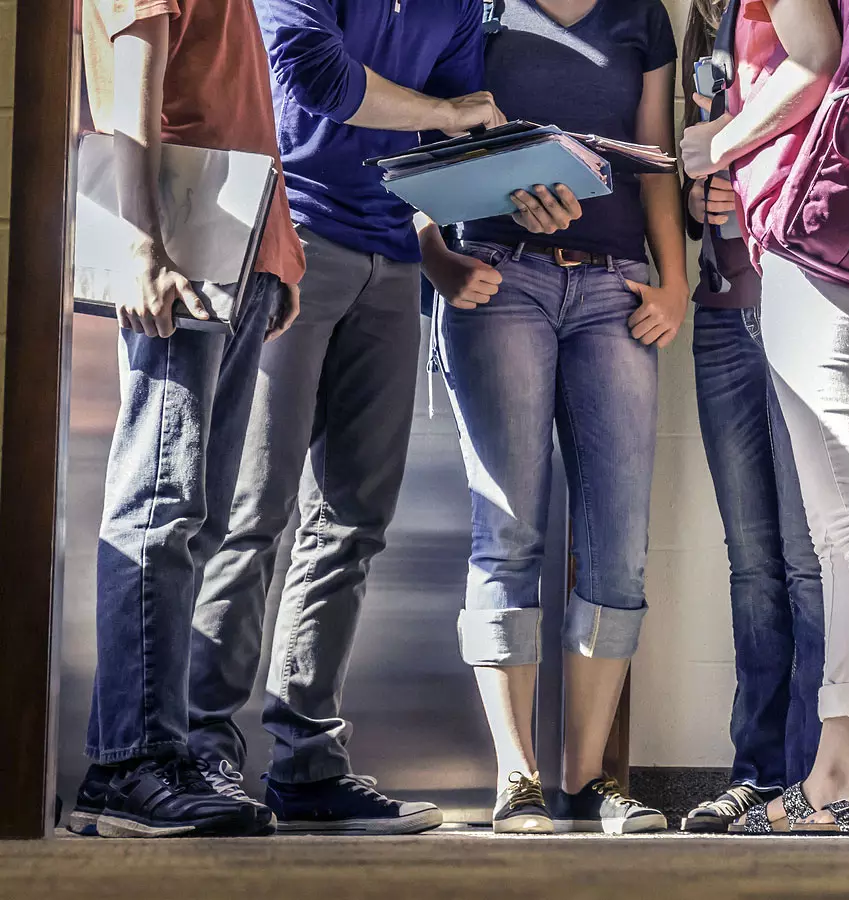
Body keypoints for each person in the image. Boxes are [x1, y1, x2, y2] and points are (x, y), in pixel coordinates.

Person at [186, 0, 502, 835]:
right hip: (286, 243)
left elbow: (448, 136)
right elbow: (315, 77)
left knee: (354, 523)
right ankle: (204, 753)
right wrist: (446, 116)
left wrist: (439, 238)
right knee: (252, 514)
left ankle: (307, 763)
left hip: (393, 262)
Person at [681, 0, 849, 836]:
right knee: (840, 530)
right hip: (830, 238)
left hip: (819, 238)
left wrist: (718, 143)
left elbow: (814, 58)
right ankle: (839, 767)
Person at [417, 0, 687, 835]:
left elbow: (655, 163)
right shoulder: (476, 8)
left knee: (619, 544)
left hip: (615, 288)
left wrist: (673, 283)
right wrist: (437, 256)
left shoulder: (643, 15)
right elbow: (422, 139)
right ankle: (517, 778)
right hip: (499, 280)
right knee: (509, 533)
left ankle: (588, 780)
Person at [68, 0, 304, 839]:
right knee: (161, 509)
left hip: (233, 253)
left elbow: (235, 97)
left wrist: (275, 260)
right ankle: (129, 765)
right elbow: (132, 81)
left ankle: (154, 754)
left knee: (190, 517)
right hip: (183, 250)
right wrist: (140, 244)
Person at [673, 0, 825, 835]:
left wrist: (725, 151)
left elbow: (824, 75)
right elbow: (696, 175)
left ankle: (811, 778)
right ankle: (759, 777)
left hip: (803, 299)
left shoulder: (795, 16)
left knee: (808, 562)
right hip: (722, 309)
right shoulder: (708, 27)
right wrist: (703, 203)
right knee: (755, 564)